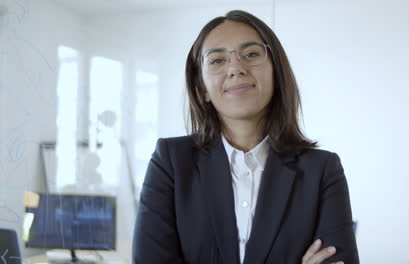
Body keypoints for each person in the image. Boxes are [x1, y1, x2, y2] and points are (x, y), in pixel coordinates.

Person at [132, 10, 359, 264]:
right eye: (217, 60)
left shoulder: (322, 170)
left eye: (251, 54)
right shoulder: (171, 162)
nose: (236, 68)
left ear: (276, 73)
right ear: (202, 88)